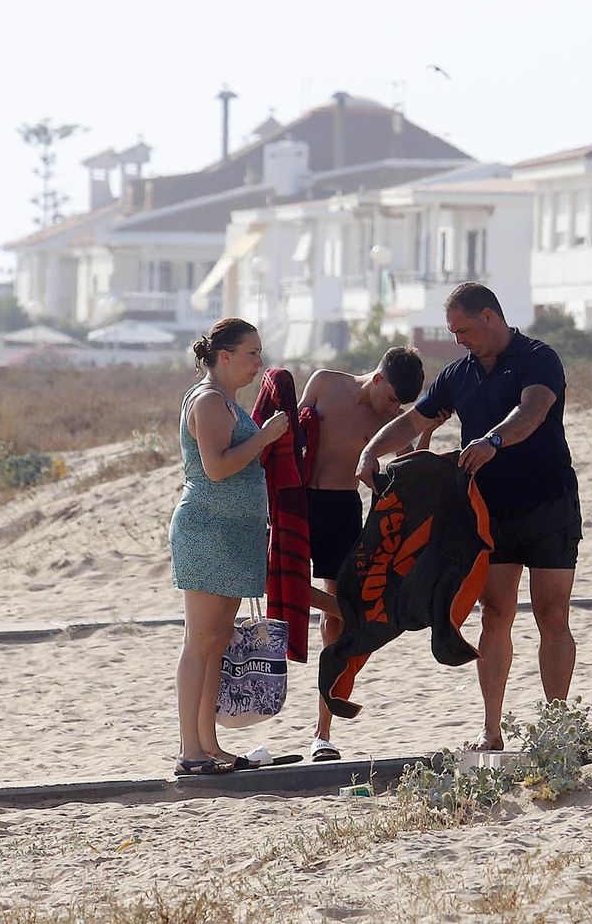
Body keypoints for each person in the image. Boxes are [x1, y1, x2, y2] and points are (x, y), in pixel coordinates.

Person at [356, 283, 581, 751]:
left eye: (462, 329)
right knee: (495, 614)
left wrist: (492, 440)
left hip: (549, 504)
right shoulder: (458, 374)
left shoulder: (538, 357)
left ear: (488, 317)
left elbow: (533, 410)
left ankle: (558, 727)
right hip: (490, 512)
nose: (458, 339)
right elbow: (414, 422)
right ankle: (492, 730)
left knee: (551, 613)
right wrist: (372, 450)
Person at [300, 346, 433, 762]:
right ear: (378, 379)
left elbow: (410, 465)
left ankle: (322, 733)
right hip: (297, 501)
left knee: (333, 624)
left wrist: (425, 433)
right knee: (277, 587)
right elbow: (288, 440)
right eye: (392, 398)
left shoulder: (391, 421)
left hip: (342, 509)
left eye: (401, 404)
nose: (394, 408)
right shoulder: (324, 382)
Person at [170, 318, 288, 775]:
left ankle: (209, 744)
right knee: (199, 642)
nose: (259, 363)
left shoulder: (227, 401)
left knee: (217, 641)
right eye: (252, 353)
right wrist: (265, 438)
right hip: (208, 532)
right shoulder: (209, 400)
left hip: (234, 535)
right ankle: (189, 750)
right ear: (225, 356)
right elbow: (216, 468)